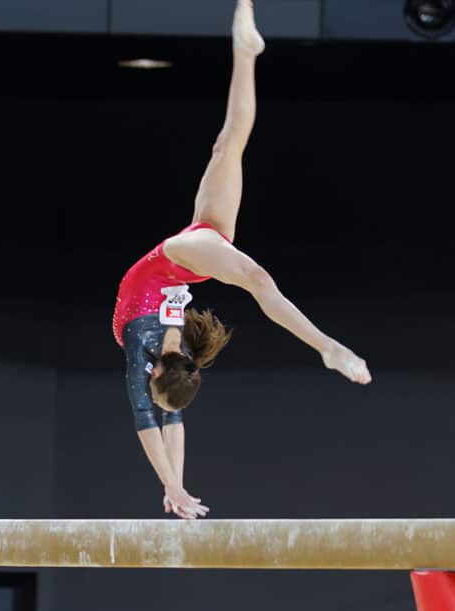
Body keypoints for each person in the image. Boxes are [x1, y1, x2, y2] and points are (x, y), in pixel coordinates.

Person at [111, 0, 371, 520]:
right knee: (229, 145)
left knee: (255, 275)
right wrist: (176, 488)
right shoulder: (171, 360)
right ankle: (246, 54)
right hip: (192, 257)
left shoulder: (140, 348)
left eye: (155, 393)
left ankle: (327, 347)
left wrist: (172, 487)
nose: (152, 397)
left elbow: (151, 422)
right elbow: (172, 418)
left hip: (173, 259)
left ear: (154, 374)